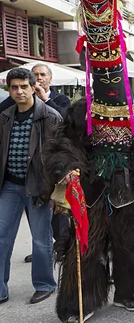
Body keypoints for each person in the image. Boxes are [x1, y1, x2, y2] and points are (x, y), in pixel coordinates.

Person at [42, 0, 134, 322]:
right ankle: (82, 299)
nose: (110, 76)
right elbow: (62, 144)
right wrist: (71, 168)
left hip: (127, 187)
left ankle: (132, 292)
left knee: (129, 245)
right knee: (85, 245)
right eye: (104, 72)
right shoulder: (80, 112)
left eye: (116, 73)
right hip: (93, 186)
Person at [0, 67, 62, 305]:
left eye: (24, 86)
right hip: (9, 186)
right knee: (2, 238)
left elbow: (60, 154)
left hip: (39, 187)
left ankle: (45, 284)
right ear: (9, 89)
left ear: (33, 86)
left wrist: (57, 188)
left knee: (40, 238)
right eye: (14, 87)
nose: (19, 91)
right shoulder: (5, 117)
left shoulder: (50, 117)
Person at [0, 64, 71, 118]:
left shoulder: (62, 99)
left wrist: (46, 100)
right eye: (35, 75)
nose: (39, 78)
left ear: (50, 79)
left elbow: (65, 117)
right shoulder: (23, 95)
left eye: (43, 75)